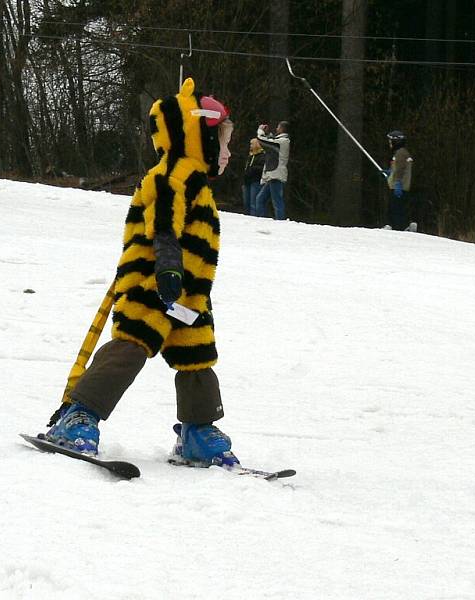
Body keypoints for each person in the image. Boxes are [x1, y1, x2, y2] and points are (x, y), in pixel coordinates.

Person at [42, 78, 241, 468]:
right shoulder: (172, 175)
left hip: (189, 294)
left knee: (196, 356)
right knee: (131, 345)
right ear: (195, 134)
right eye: (221, 138)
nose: (227, 149)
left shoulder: (195, 181)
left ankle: (197, 431)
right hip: (152, 282)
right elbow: (164, 224)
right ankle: (78, 415)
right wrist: (168, 268)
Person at [254, 121, 290, 220]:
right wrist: (266, 134)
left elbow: (263, 141)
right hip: (273, 175)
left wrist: (260, 131)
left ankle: (280, 222)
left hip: (276, 175)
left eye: (278, 127)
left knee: (277, 201)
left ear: (282, 129)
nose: (276, 128)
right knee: (260, 199)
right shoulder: (279, 140)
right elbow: (270, 140)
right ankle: (262, 220)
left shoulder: (283, 141)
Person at [384, 130, 416, 231]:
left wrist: (397, 182)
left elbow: (400, 169)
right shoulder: (401, 153)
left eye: (390, 142)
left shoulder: (400, 153)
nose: (389, 144)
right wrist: (389, 173)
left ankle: (398, 226)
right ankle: (406, 225)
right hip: (400, 185)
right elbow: (396, 168)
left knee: (395, 208)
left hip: (399, 187)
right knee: (398, 207)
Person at [242, 138, 265, 215]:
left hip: (255, 181)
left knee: (253, 203)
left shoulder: (262, 155)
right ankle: (247, 217)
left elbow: (262, 168)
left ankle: (254, 218)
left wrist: (252, 169)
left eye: (252, 144)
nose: (250, 146)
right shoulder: (250, 156)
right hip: (247, 181)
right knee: (246, 202)